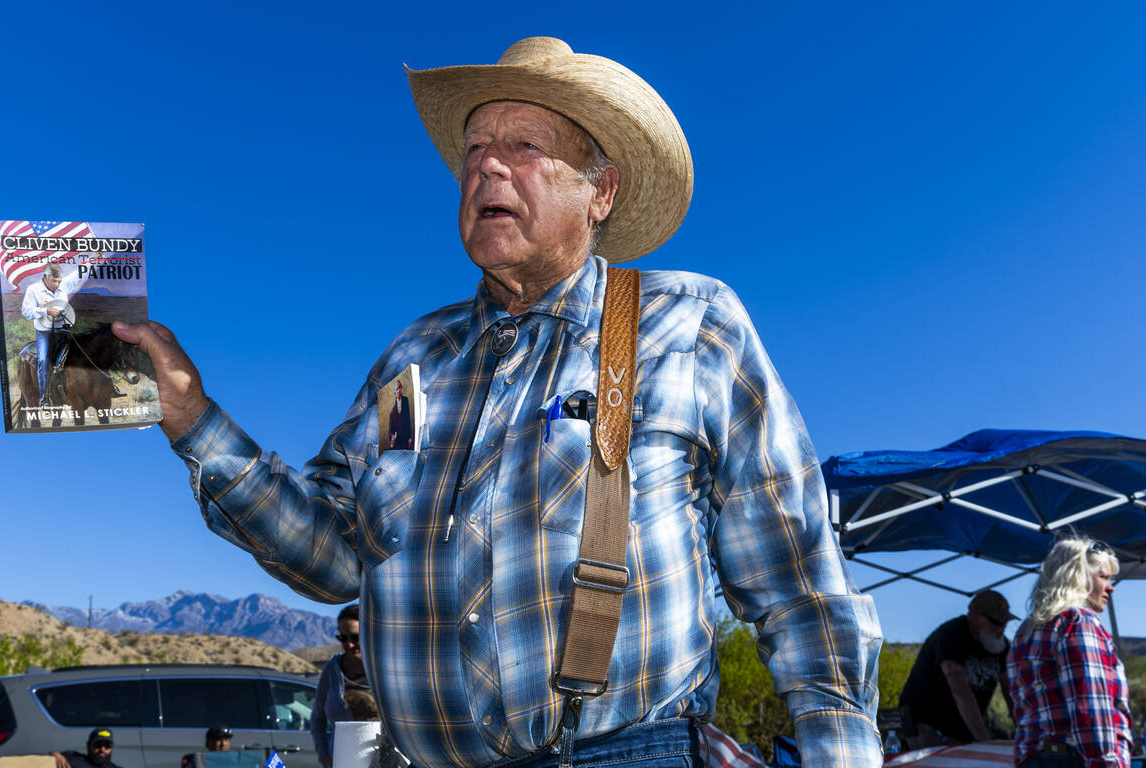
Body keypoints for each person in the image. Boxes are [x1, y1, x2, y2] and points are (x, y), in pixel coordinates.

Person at [113, 36, 882, 768]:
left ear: (600, 192)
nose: (487, 169)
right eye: (475, 150)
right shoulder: (412, 368)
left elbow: (800, 587)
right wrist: (192, 418)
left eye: (523, 147)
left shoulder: (689, 324)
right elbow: (335, 554)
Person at [1007, 538, 1132, 767]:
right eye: (1103, 577)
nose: (1111, 587)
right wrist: (1107, 763)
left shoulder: (1026, 630)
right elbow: (1090, 708)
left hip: (1034, 756)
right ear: (1079, 576)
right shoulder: (1079, 621)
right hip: (1073, 758)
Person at [899, 589, 1016, 747]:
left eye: (1004, 622)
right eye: (996, 623)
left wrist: (1023, 730)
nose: (1002, 628)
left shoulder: (1000, 644)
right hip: (927, 723)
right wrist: (985, 743)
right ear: (975, 619)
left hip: (963, 725)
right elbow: (960, 691)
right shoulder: (951, 636)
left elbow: (1010, 690)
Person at [312, 604, 376, 768]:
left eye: (355, 637)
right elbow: (317, 718)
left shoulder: (383, 670)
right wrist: (324, 755)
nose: (349, 644)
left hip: (382, 759)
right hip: (341, 761)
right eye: (343, 638)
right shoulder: (332, 669)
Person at [22, 264, 77, 406]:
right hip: (44, 333)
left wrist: (94, 259)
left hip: (63, 330)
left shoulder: (63, 285)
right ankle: (44, 398)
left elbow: (80, 274)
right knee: (43, 360)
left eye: (59, 281)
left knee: (84, 351)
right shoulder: (33, 290)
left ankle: (105, 387)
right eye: (54, 281)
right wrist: (46, 311)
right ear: (45, 277)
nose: (57, 284)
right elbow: (26, 311)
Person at [51, 728, 122, 768]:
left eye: (107, 745)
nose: (102, 749)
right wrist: (55, 755)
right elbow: (46, 760)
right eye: (98, 744)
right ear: (88, 745)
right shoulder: (73, 758)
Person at [387, 379, 412, 450]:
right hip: (397, 442)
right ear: (394, 392)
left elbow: (408, 419)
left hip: (405, 440)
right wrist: (392, 437)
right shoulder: (392, 412)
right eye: (397, 389)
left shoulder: (405, 401)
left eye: (400, 387)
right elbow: (391, 430)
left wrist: (410, 437)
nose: (399, 390)